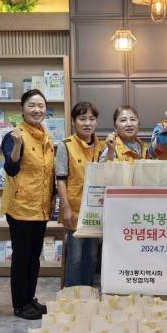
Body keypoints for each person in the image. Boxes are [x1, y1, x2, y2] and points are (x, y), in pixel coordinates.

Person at [1, 89, 55, 320]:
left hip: (40, 207)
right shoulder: (14, 135)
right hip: (21, 208)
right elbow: (11, 168)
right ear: (22, 108)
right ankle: (20, 305)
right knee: (22, 257)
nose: (37, 110)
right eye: (32, 105)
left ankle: (29, 299)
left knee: (33, 257)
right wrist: (16, 144)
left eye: (41, 106)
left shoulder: (46, 136)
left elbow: (48, 172)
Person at [55, 102, 105, 287]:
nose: (87, 123)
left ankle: (87, 292)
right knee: (75, 257)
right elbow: (60, 179)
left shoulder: (102, 146)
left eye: (92, 119)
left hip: (95, 211)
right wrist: (66, 208)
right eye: (82, 119)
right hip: (74, 209)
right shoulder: (65, 146)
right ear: (73, 121)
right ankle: (72, 295)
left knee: (91, 257)